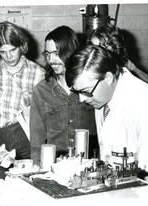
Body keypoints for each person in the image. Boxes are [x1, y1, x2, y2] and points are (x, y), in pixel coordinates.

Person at [65, 44, 148, 186]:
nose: (82, 99)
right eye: (77, 92)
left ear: (107, 77)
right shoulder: (103, 97)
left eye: (86, 91)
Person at [0, 21, 44, 165]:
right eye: (3, 52)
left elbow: (43, 117)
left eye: (12, 50)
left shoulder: (38, 74)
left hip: (25, 143)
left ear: (21, 46)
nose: (9, 57)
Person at [30, 26, 98, 165]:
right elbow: (37, 141)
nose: (51, 60)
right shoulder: (41, 91)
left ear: (72, 52)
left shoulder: (92, 86)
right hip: (56, 166)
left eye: (57, 53)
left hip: (91, 164)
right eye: (48, 54)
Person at [89, 21, 148, 88]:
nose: (96, 53)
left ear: (114, 48)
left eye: (102, 48)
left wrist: (134, 70)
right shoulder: (90, 64)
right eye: (93, 48)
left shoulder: (124, 66)